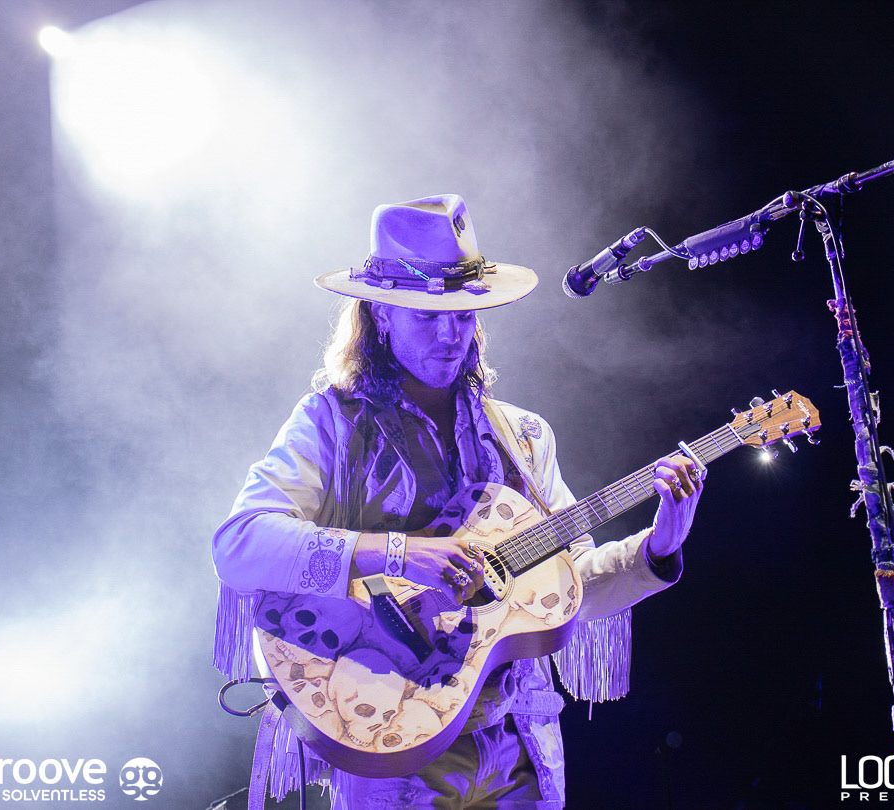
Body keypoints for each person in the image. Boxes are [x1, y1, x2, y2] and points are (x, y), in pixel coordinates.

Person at [211, 194, 704, 809]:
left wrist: (659, 547)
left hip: (519, 740)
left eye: (464, 316)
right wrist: (400, 554)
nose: (450, 336)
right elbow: (240, 544)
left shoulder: (524, 436)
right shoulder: (329, 423)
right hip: (388, 735)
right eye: (427, 317)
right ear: (381, 315)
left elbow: (570, 585)